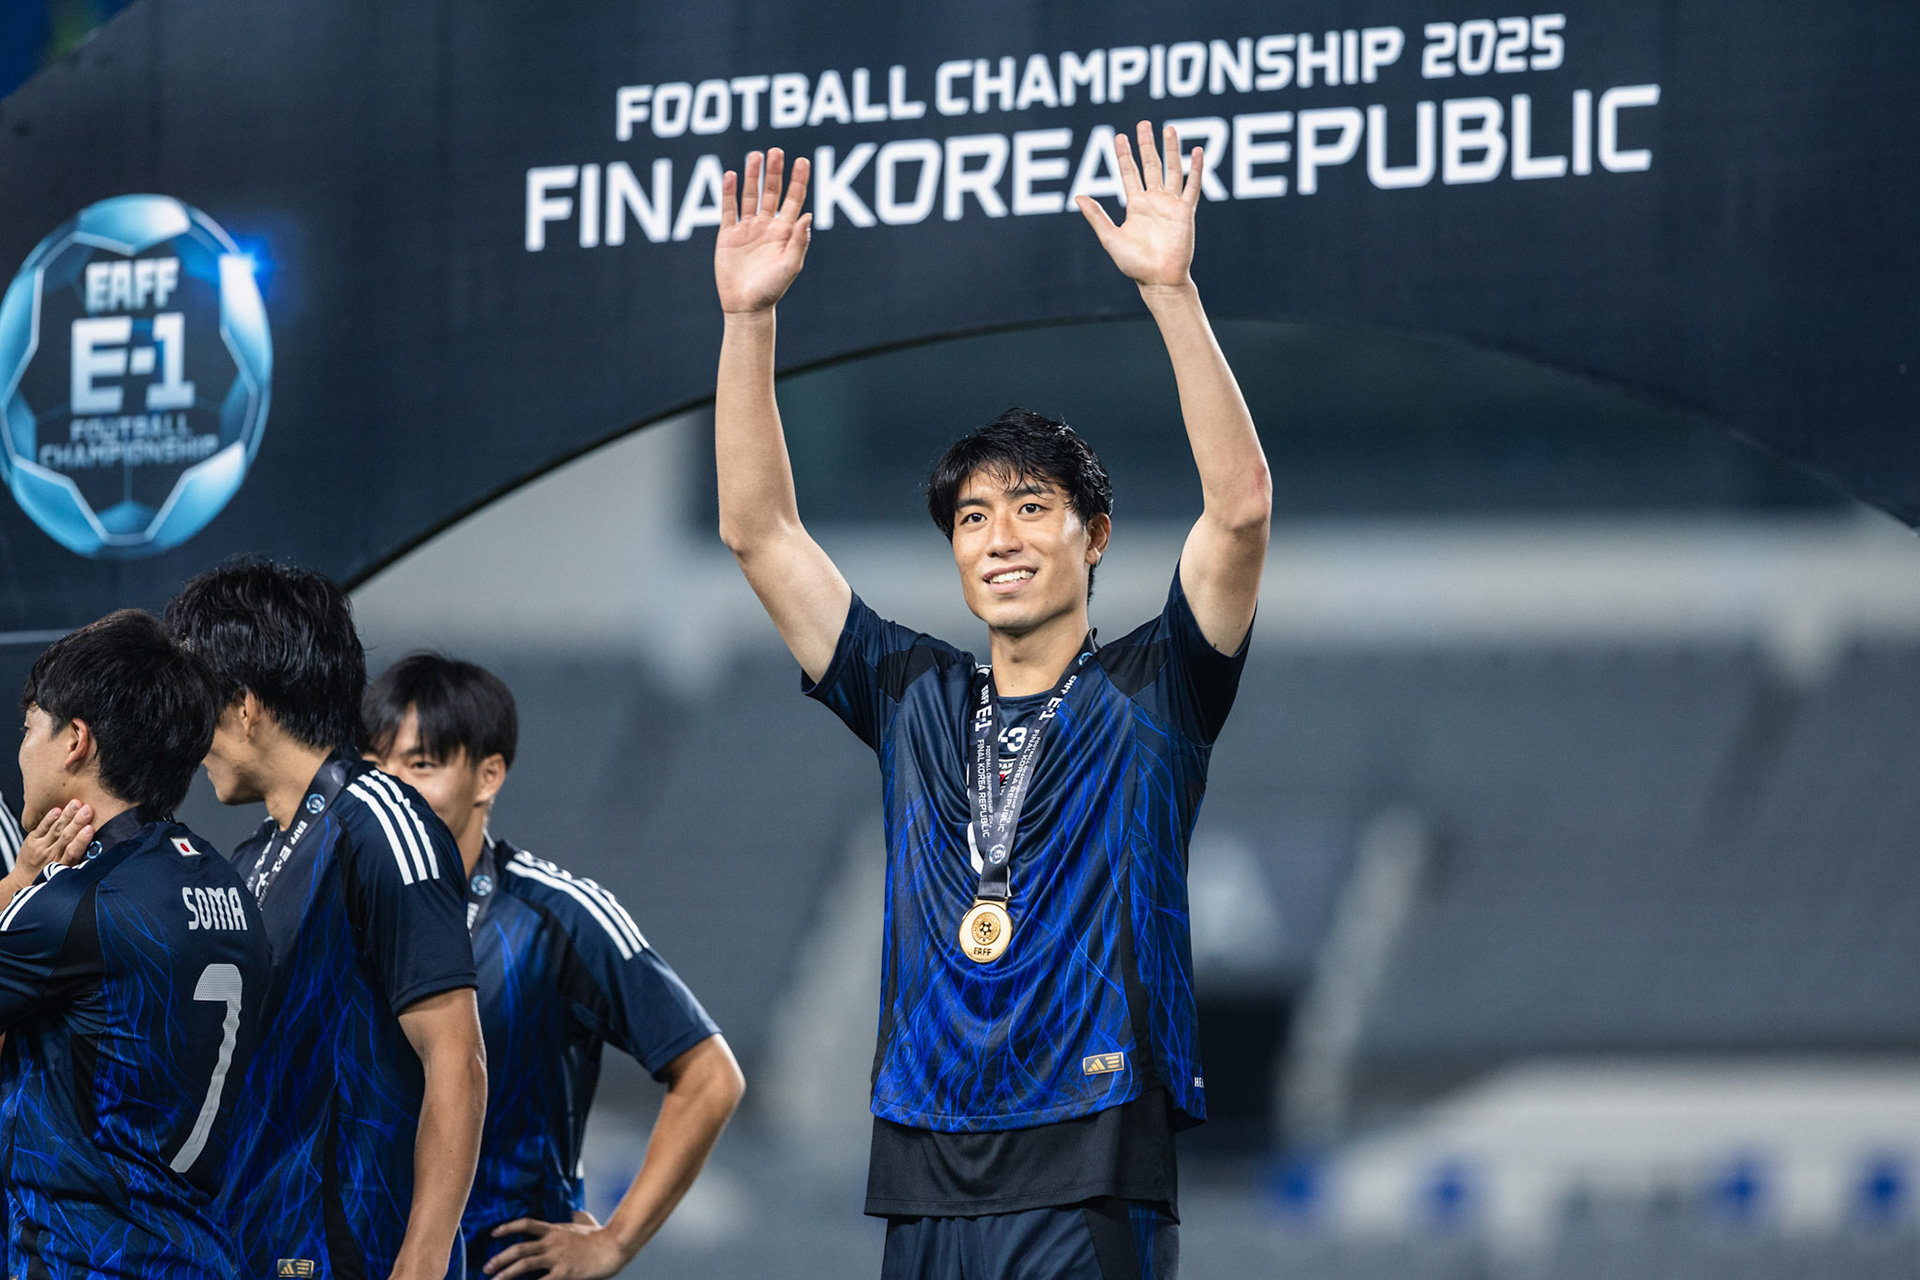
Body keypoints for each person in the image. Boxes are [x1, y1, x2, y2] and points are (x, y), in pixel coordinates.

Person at [709, 123, 1271, 1277]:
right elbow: (759, 532)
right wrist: (748, 319)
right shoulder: (912, 694)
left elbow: (1242, 510)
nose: (998, 537)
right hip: (925, 1162)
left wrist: (1170, 292)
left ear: (1093, 535)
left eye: (1028, 508)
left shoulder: (1155, 688)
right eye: (972, 517)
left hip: (1092, 1160)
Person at [362, 653, 743, 1280]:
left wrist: (614, 1242)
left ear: (488, 776)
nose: (390, 789)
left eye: (421, 764)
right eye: (375, 765)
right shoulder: (334, 909)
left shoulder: (556, 916)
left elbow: (710, 1075)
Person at [164, 561, 487, 1280]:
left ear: (245, 706)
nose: (193, 740)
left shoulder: (382, 825)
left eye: (200, 710)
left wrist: (422, 1263)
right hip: (257, 1252)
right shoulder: (251, 859)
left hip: (358, 1257)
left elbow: (456, 1059)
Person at [0, 609, 273, 1279]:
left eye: (29, 728)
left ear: (75, 740)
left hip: (83, 1260)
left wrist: (17, 881)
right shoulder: (226, 883)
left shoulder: (70, 904)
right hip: (200, 1252)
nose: (21, 752)